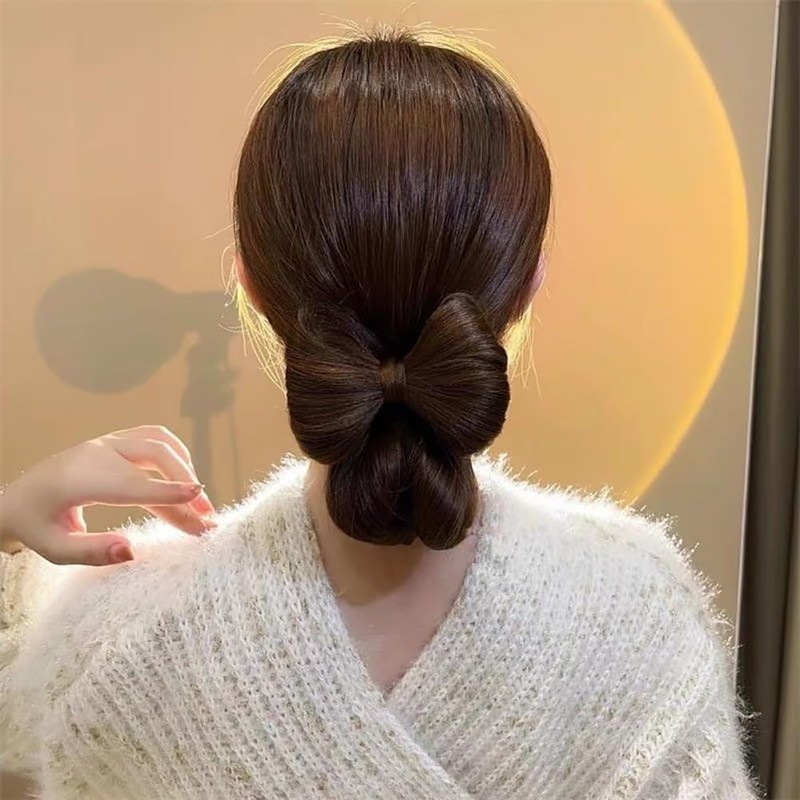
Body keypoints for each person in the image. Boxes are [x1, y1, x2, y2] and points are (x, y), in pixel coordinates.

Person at [0, 27, 761, 800]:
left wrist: (4, 528)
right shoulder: (638, 608)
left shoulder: (118, 637)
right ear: (528, 284)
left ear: (249, 286)